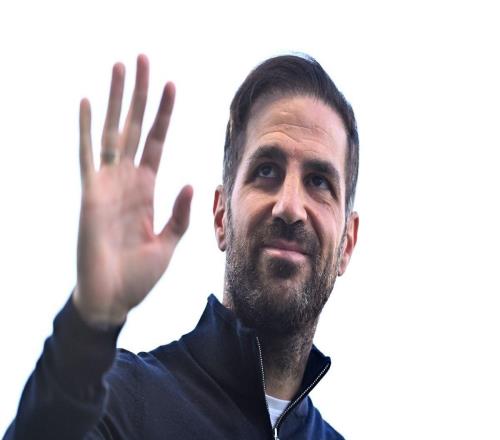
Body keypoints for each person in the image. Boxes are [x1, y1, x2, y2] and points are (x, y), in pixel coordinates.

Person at [4, 53, 359, 440]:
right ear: (221, 217)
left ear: (347, 243)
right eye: (266, 171)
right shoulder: (118, 404)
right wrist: (88, 326)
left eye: (319, 181)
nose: (289, 206)